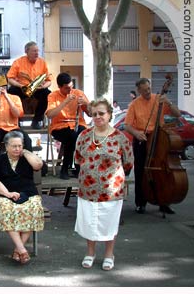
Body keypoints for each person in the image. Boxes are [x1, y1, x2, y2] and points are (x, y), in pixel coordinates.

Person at [74, 98, 134, 271]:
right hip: (88, 188)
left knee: (109, 222)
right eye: (94, 114)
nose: (98, 117)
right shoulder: (84, 135)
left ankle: (109, 254)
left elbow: (128, 162)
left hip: (111, 189)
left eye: (101, 113)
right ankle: (90, 252)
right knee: (89, 222)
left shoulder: (120, 138)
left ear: (109, 114)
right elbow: (78, 159)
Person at [0, 131, 45, 265]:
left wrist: (27, 152)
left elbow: (38, 166)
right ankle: (22, 249)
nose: (17, 149)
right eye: (14, 146)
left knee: (34, 208)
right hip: (4, 195)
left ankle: (18, 249)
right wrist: (8, 194)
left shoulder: (26, 158)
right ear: (6, 146)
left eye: (20, 145)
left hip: (28, 193)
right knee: (6, 209)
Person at [124, 78, 181, 215]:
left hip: (159, 138)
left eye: (149, 89)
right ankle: (140, 203)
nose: (148, 92)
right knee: (140, 172)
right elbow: (127, 125)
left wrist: (169, 102)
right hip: (142, 139)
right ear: (139, 91)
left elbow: (177, 114)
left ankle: (164, 202)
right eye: (144, 90)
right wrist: (136, 133)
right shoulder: (134, 105)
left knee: (161, 171)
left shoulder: (159, 99)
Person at [46, 72, 90, 179]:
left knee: (82, 135)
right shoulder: (53, 96)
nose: (70, 90)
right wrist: (65, 102)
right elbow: (50, 115)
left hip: (77, 123)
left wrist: (86, 104)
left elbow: (91, 113)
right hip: (59, 126)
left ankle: (71, 168)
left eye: (71, 87)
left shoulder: (79, 93)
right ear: (59, 87)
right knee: (72, 137)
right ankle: (70, 168)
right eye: (66, 88)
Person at [0, 86, 33, 161]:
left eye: (2, 85)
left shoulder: (15, 98)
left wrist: (7, 97)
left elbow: (18, 114)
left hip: (12, 128)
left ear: (6, 87)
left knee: (26, 139)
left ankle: (28, 163)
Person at [6, 41, 51, 129]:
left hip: (37, 89)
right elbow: (10, 78)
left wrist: (43, 86)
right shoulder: (18, 62)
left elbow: (49, 81)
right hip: (22, 88)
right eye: (34, 51)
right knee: (11, 91)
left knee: (47, 94)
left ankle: (37, 120)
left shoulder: (42, 63)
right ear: (27, 51)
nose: (37, 53)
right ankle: (16, 120)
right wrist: (20, 85)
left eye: (37, 51)